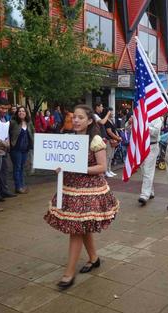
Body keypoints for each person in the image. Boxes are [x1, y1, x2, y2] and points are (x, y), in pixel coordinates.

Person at [44, 104, 119, 290]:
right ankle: (94, 258)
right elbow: (62, 163)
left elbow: (102, 167)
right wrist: (58, 167)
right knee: (81, 226)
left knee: (76, 229)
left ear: (90, 120)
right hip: (70, 188)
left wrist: (80, 168)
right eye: (74, 117)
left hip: (88, 191)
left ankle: (69, 273)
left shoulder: (95, 140)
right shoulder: (69, 139)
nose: (76, 120)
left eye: (80, 117)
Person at [138, 114, 163, 206]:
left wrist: (144, 126)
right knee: (143, 170)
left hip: (151, 146)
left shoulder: (157, 117)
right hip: (141, 146)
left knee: (148, 170)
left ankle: (144, 195)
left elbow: (156, 132)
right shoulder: (140, 115)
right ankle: (150, 191)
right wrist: (130, 123)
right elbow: (129, 130)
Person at [9, 106, 35, 194]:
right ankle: (18, 187)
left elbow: (33, 133)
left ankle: (22, 185)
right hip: (16, 149)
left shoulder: (29, 122)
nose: (21, 112)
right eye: (19, 111)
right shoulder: (13, 122)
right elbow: (8, 134)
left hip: (25, 149)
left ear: (26, 113)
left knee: (22, 168)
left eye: (23, 111)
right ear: (17, 113)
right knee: (17, 167)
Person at [0, 98, 16, 201]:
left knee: (4, 170)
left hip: (4, 148)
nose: (4, 110)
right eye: (2, 108)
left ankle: (4, 190)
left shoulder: (6, 118)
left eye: (6, 109)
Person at [104, 109, 121, 177]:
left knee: (111, 156)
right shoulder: (106, 121)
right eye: (111, 112)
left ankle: (109, 169)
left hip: (114, 140)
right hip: (109, 140)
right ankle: (105, 171)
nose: (112, 113)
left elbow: (114, 130)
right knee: (108, 156)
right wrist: (117, 138)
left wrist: (117, 137)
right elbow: (109, 132)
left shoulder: (111, 120)